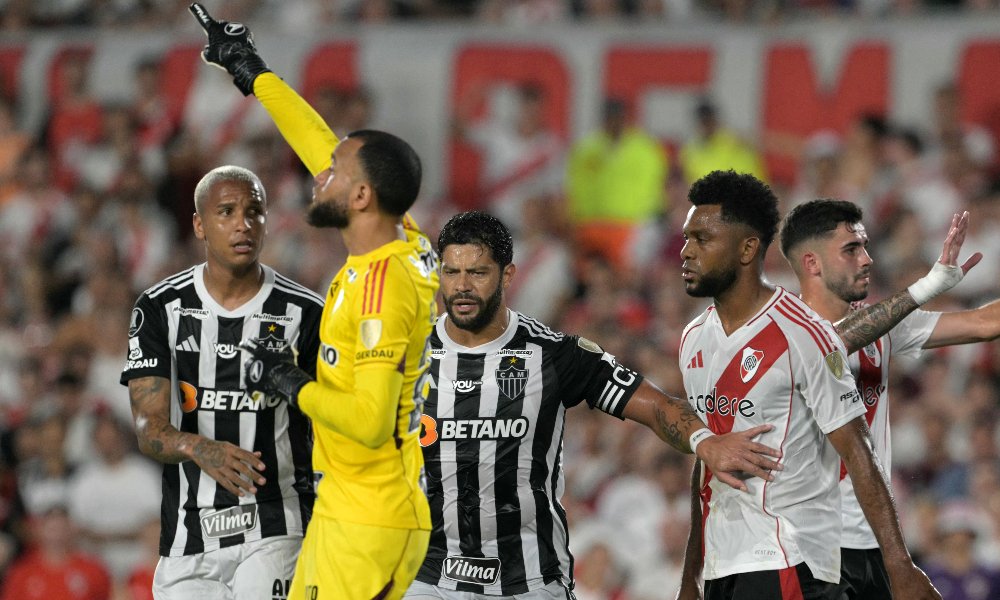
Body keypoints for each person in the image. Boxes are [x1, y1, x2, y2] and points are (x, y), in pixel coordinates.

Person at [190, 4, 440, 598]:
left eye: (332, 172)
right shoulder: (400, 240)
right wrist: (254, 74)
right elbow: (321, 142)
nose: (316, 175)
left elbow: (373, 422)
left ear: (359, 195)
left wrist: (288, 380)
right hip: (343, 505)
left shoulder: (383, 288)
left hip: (372, 519)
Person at [407, 210, 786, 598]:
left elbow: (654, 405)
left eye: (478, 273)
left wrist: (706, 442)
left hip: (527, 581)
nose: (462, 286)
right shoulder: (408, 356)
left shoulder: (552, 354)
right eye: (452, 272)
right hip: (428, 577)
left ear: (507, 275)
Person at [674, 170, 944, 600]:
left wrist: (900, 565)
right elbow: (708, 460)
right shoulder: (694, 337)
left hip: (790, 560)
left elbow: (859, 451)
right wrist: (691, 576)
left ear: (747, 249)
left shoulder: (804, 334)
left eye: (701, 239)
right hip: (725, 564)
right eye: (687, 238)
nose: (685, 251)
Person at [119, 165, 323, 600]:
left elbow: (329, 419)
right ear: (199, 224)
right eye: (226, 212)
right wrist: (198, 447)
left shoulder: (306, 313)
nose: (242, 224)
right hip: (188, 536)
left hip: (278, 523)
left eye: (255, 211)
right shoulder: (159, 307)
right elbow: (146, 429)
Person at [779, 198, 1000, 599]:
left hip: (873, 540)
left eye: (864, 247)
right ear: (811, 263)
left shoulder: (880, 323)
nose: (867, 260)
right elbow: (832, 342)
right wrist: (926, 287)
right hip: (806, 545)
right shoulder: (780, 331)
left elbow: (985, 323)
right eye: (850, 250)